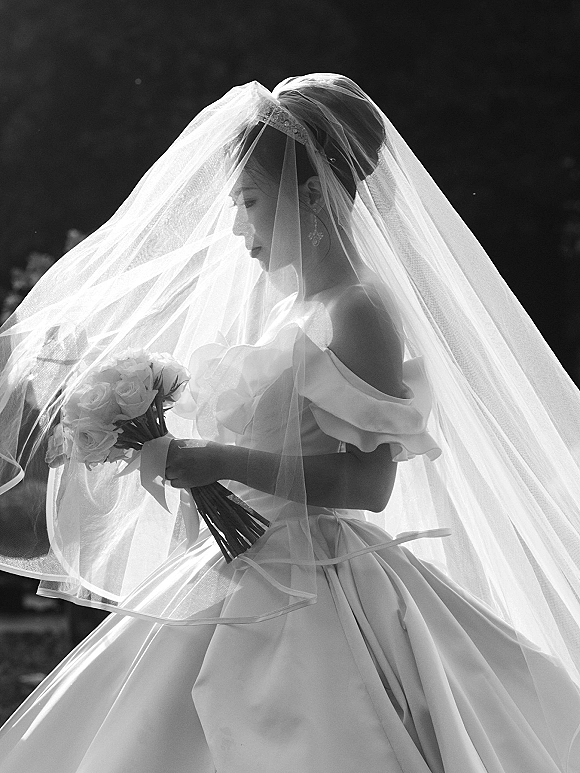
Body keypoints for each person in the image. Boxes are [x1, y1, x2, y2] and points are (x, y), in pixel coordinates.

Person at [0, 73, 578, 772]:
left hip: (314, 579)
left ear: (308, 196)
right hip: (235, 568)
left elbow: (369, 483)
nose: (239, 227)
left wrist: (221, 461)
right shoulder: (285, 311)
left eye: (249, 202)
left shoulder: (357, 310)